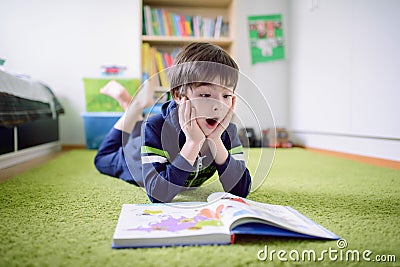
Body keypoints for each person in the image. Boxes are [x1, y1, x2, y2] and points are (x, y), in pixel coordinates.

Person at [95, 42, 251, 203]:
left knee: (138, 130)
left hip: (147, 134)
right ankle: (133, 108)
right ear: (178, 95)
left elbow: (240, 191)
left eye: (226, 96)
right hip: (133, 155)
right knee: (102, 159)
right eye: (205, 95)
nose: (218, 106)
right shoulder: (155, 128)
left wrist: (215, 140)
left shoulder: (227, 132)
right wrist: (192, 142)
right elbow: (157, 194)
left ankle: (134, 109)